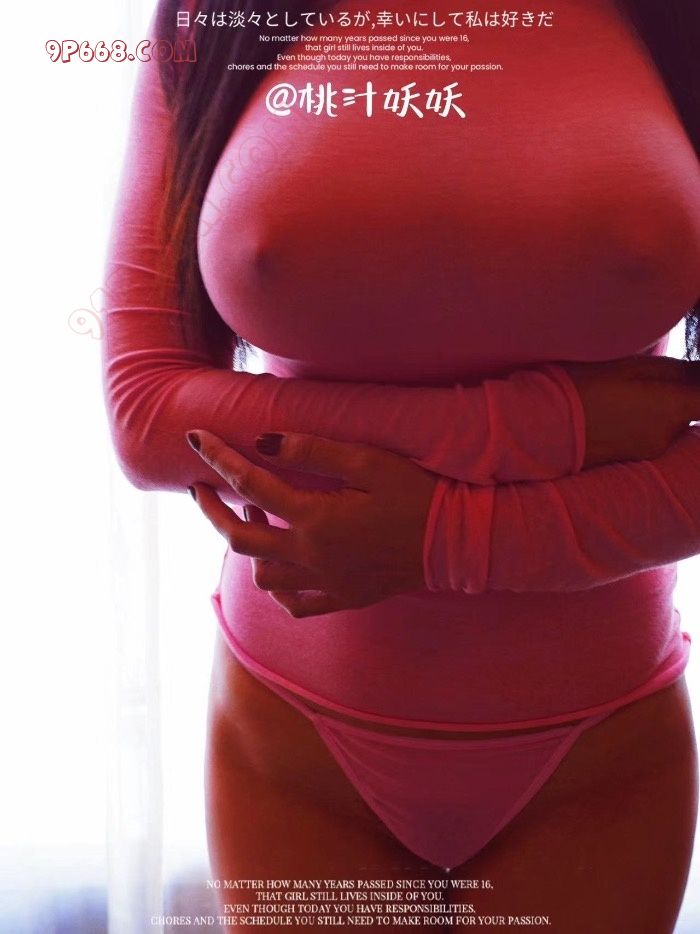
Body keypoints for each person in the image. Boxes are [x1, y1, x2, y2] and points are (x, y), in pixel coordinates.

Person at [101, 0, 700, 928]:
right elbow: (147, 413)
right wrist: (542, 428)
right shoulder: (220, 18)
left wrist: (447, 539)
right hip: (295, 749)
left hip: (600, 758)